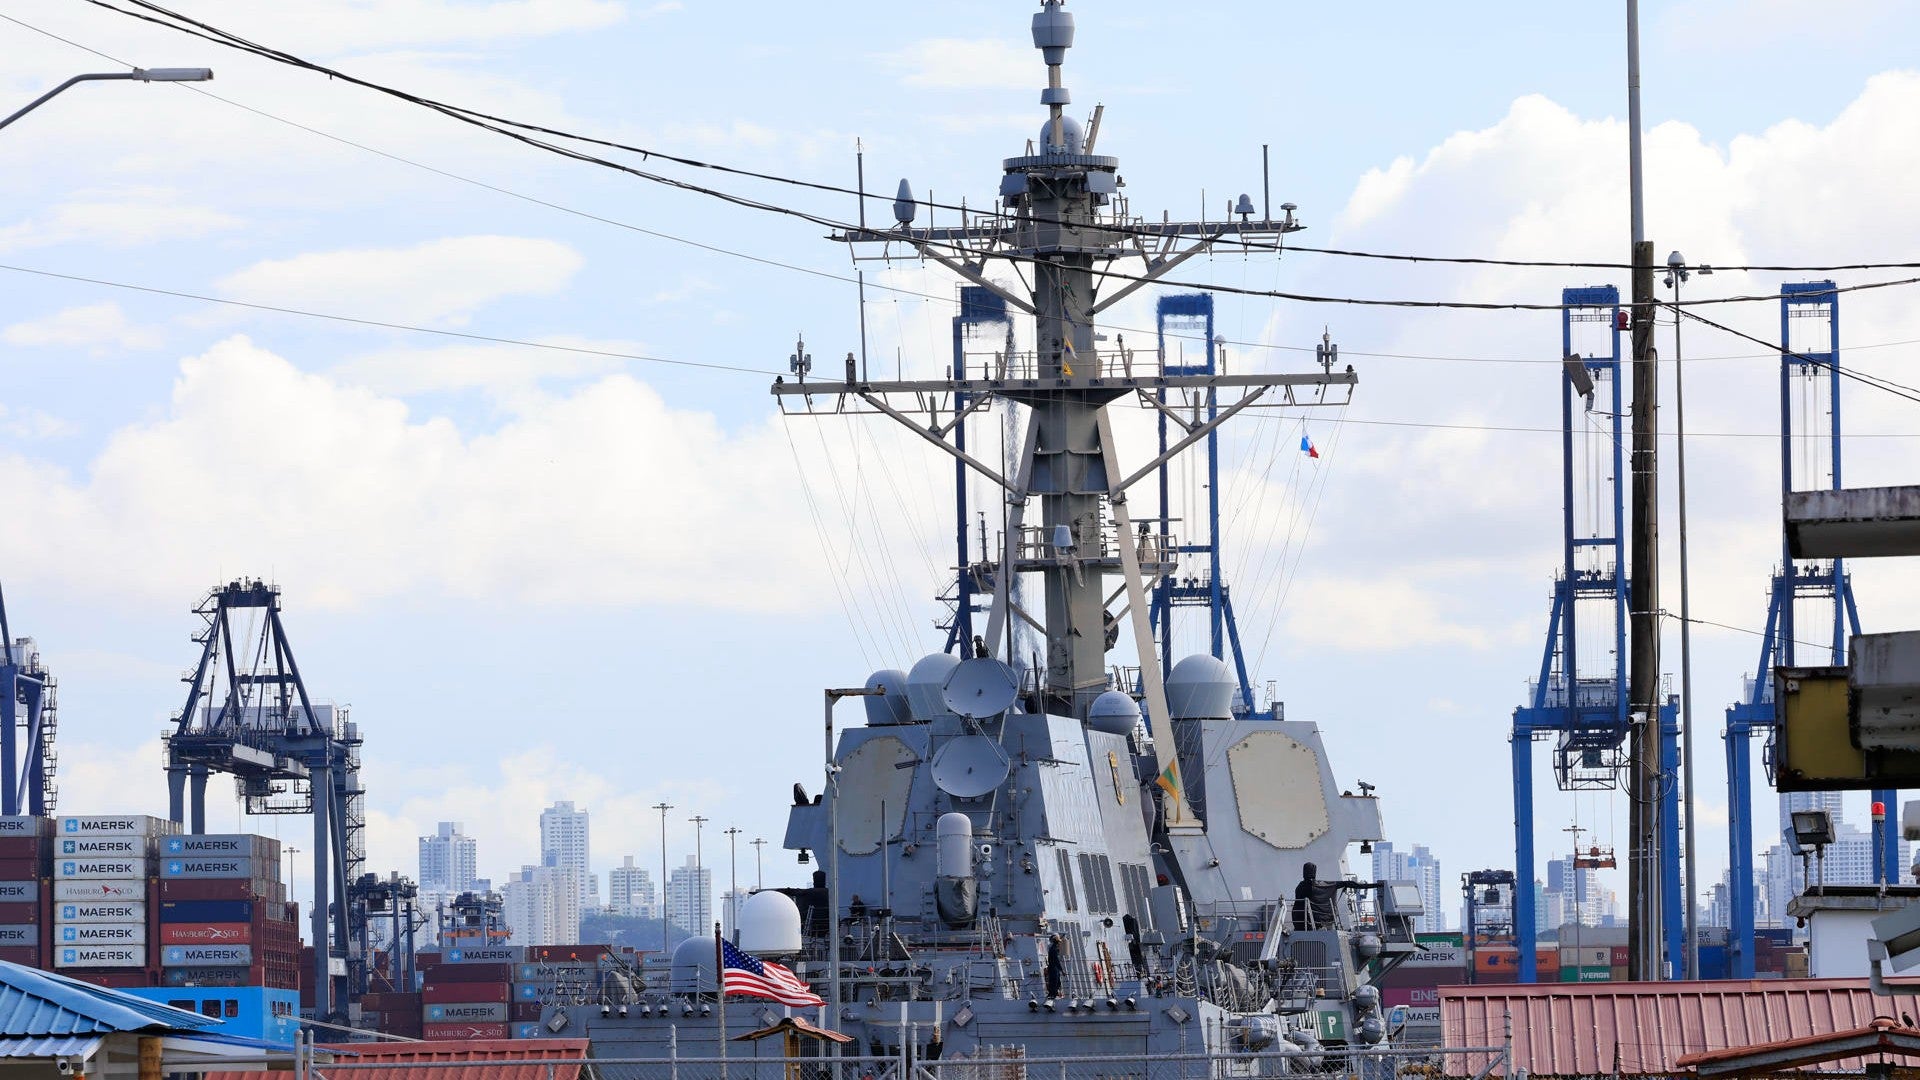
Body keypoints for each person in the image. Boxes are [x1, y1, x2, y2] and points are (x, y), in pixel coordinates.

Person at [1290, 861, 1366, 930]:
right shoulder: (1319, 885)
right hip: (1313, 920)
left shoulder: (1300, 886)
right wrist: (1368, 886)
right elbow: (1343, 883)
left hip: (1299, 920)